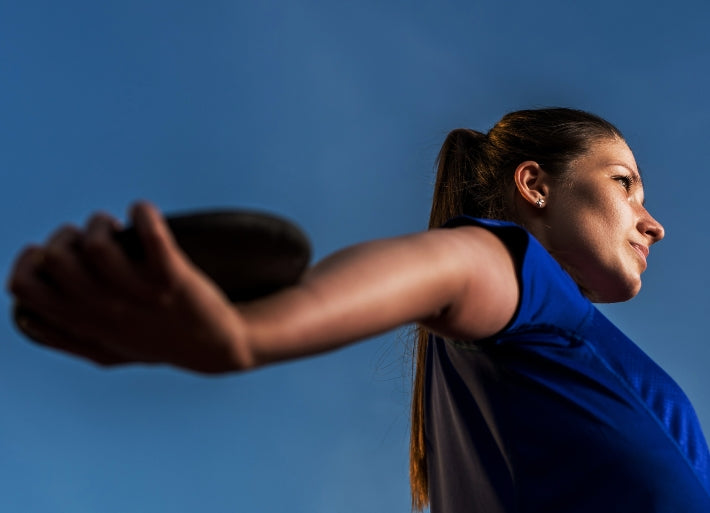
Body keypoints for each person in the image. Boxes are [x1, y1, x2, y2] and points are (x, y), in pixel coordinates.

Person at [7, 108, 709, 512]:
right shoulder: (529, 286)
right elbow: (446, 266)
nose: (654, 223)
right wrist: (247, 333)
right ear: (536, 185)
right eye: (626, 185)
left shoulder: (538, 350)